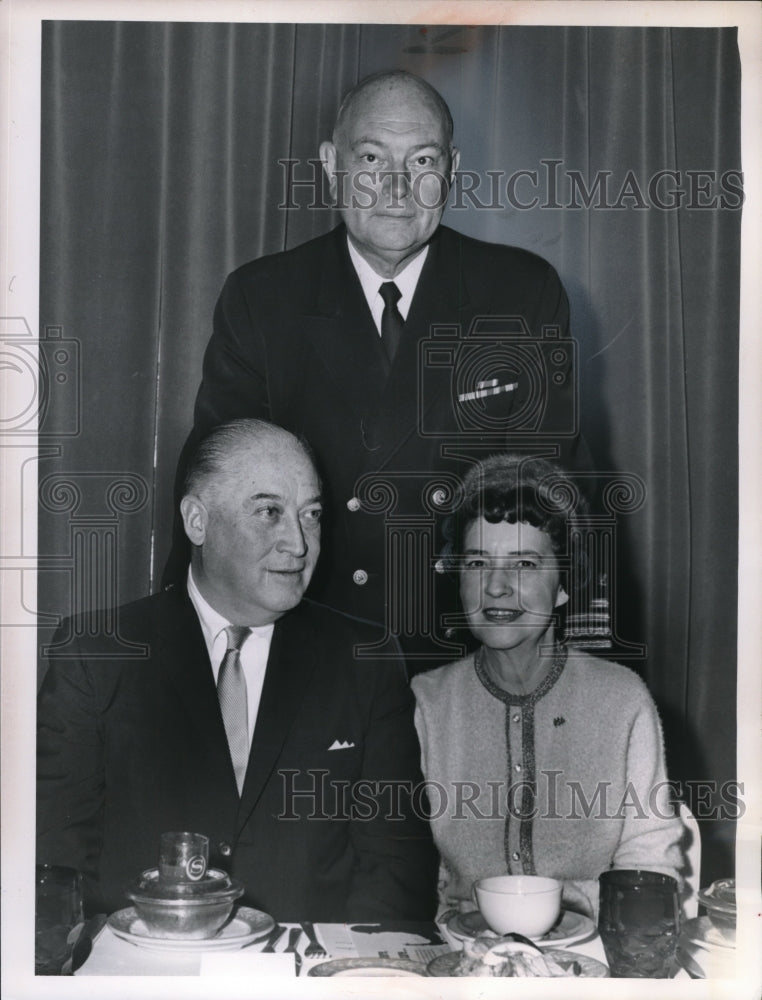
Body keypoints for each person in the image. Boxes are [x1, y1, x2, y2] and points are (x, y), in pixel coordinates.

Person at [169, 69, 584, 669]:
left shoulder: (521, 293)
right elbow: (214, 479)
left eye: (421, 161)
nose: (396, 189)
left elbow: (553, 494)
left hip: (466, 649)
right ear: (333, 164)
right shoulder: (263, 299)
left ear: (451, 170)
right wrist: (185, 650)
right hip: (309, 648)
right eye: (371, 158)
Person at [37, 419, 438, 921]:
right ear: (197, 521)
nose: (298, 542)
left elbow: (397, 866)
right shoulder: (97, 654)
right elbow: (54, 857)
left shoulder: (366, 657)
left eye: (311, 515)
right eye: (269, 512)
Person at [411, 454, 684, 919]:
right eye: (477, 562)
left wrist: (567, 902)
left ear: (564, 584)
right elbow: (412, 877)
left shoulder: (622, 701)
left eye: (524, 563)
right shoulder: (425, 703)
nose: (496, 587)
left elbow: (652, 873)